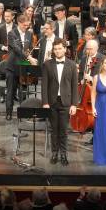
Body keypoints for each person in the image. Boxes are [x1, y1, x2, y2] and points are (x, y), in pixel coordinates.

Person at [42, 38, 78, 166]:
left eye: (59, 49)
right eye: (55, 49)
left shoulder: (72, 65)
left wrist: (74, 104)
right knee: (53, 130)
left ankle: (63, 154)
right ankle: (54, 153)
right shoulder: (47, 64)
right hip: (52, 102)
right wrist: (45, 102)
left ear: (65, 49)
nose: (57, 51)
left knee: (63, 130)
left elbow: (74, 86)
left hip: (66, 102)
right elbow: (44, 85)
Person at [4, 15, 37, 120]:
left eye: (27, 25)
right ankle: (9, 112)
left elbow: (30, 48)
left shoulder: (29, 33)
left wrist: (31, 56)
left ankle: (23, 112)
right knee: (11, 90)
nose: (26, 27)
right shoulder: (12, 33)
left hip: (23, 66)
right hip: (12, 66)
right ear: (18, 23)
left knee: (23, 90)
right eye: (24, 25)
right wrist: (29, 58)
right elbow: (17, 49)